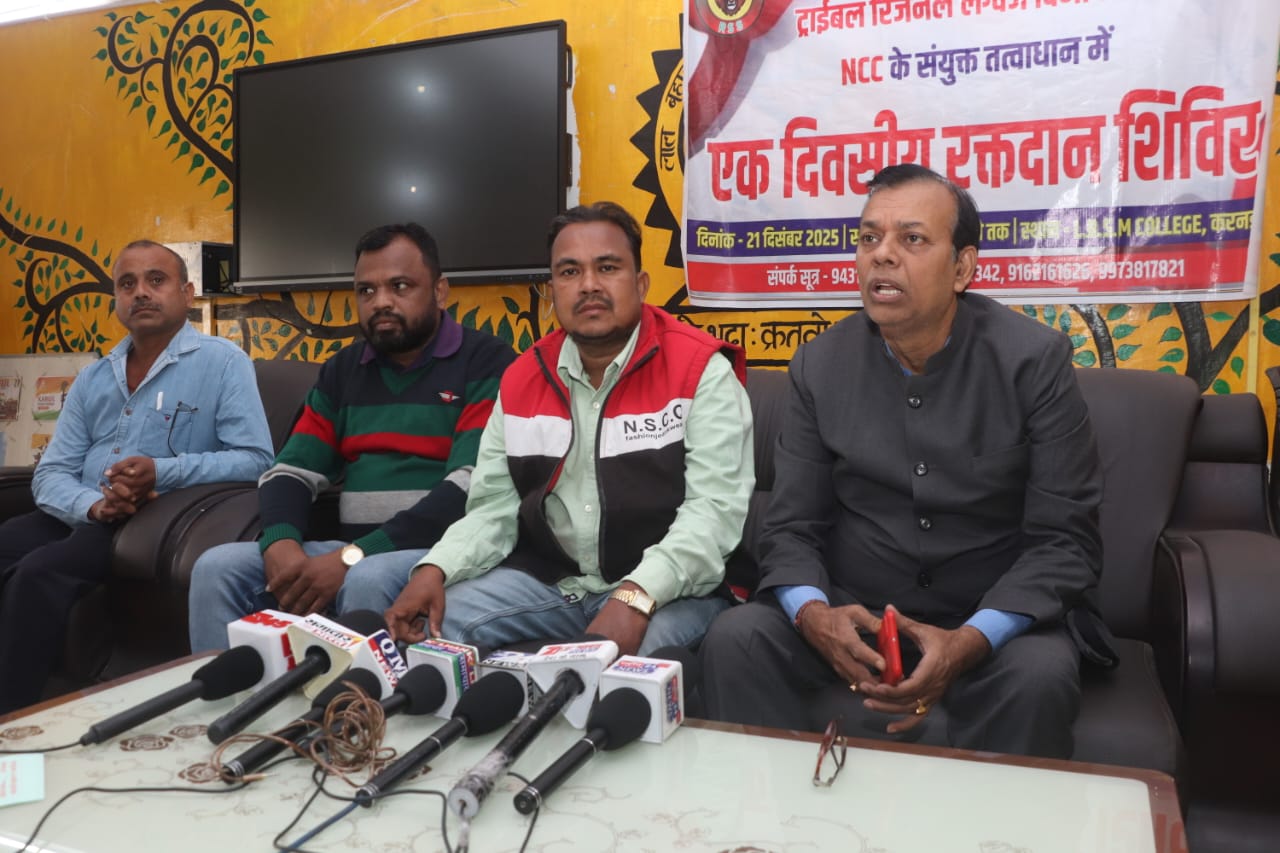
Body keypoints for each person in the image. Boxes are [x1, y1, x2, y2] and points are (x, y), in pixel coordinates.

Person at [700, 164, 1105, 759]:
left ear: (962, 268)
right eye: (869, 238)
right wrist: (815, 615)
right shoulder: (819, 365)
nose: (882, 255)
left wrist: (972, 639)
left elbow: (1065, 542)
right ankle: (776, 813)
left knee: (1039, 677)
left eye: (912, 239)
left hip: (987, 614)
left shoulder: (1033, 361)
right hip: (856, 609)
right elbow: (790, 527)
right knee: (738, 638)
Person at [384, 202, 754, 657]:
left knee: (633, 668)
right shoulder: (521, 379)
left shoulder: (700, 370)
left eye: (608, 267)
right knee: (436, 627)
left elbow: (713, 513)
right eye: (570, 271)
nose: (589, 285)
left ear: (641, 284)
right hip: (555, 584)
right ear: (552, 290)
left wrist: (636, 595)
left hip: (675, 590)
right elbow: (493, 509)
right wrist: (436, 569)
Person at [188, 223, 516, 652]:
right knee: (216, 567)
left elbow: (470, 488)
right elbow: (291, 470)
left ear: (440, 292)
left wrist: (352, 557)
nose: (381, 302)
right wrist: (281, 542)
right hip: (350, 549)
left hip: (438, 553)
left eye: (400, 286)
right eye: (366, 291)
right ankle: (231, 693)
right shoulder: (344, 369)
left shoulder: (488, 361)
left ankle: (359, 697)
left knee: (369, 576)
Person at [0, 240, 274, 713]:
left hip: (148, 520)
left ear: (187, 293)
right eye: (127, 284)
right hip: (87, 510)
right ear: (116, 300)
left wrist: (160, 472)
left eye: (156, 280)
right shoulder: (94, 377)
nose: (141, 292)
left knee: (39, 573)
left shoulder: (223, 363)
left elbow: (255, 460)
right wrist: (92, 505)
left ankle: (13, 721)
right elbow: (53, 471)